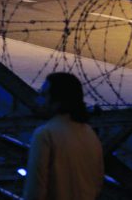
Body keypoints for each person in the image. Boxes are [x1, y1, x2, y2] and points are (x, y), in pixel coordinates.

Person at [22, 72, 104, 200]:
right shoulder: (90, 134)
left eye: (44, 95)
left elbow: (35, 192)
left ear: (58, 101)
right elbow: (98, 184)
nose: (39, 101)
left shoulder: (45, 134)